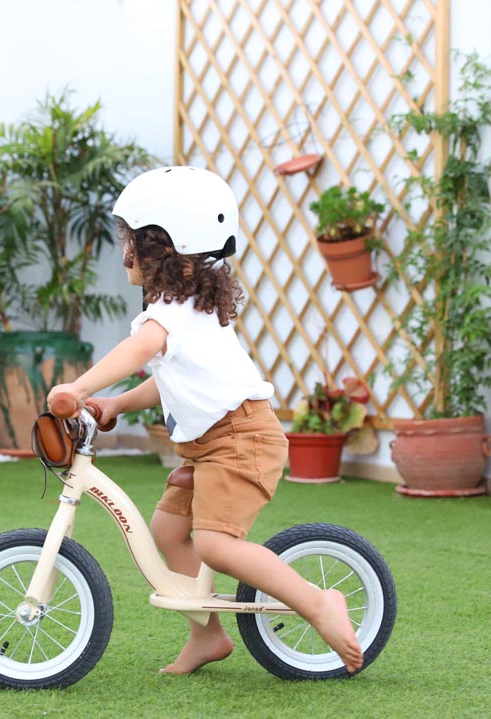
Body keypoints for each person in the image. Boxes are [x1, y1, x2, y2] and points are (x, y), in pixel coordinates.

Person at [47, 166, 363, 675]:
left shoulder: (168, 316)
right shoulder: (183, 309)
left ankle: (319, 602)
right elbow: (167, 379)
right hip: (214, 444)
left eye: (132, 241)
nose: (124, 252)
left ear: (161, 250)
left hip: (241, 440)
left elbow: (140, 350)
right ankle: (208, 636)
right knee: (170, 530)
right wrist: (115, 406)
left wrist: (80, 388)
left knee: (216, 544)